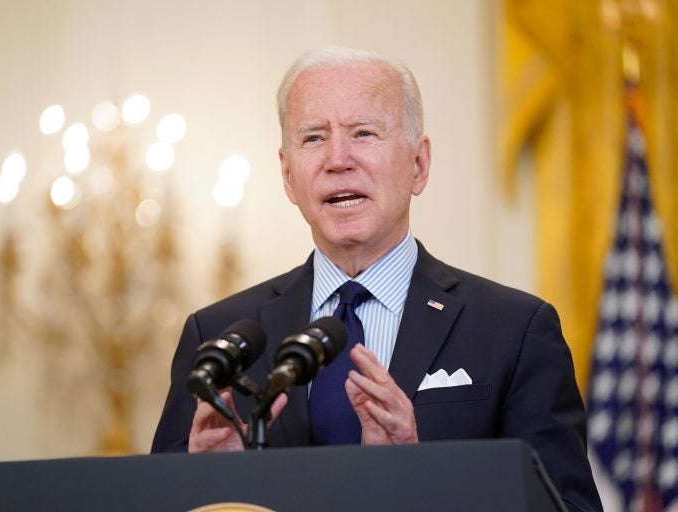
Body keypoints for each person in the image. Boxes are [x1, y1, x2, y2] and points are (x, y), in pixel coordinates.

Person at [151, 47, 602, 511]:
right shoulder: (218, 339)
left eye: (364, 133)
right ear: (287, 175)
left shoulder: (515, 330)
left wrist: (414, 478)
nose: (338, 159)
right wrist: (208, 484)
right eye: (313, 138)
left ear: (418, 165)